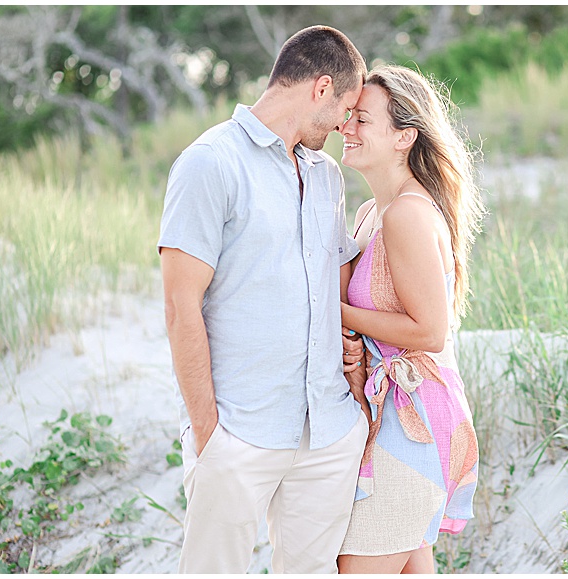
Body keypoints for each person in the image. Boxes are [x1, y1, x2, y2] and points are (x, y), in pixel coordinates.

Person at [157, 26, 370, 574]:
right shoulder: (209, 163)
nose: (347, 125)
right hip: (238, 432)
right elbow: (181, 308)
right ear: (321, 89)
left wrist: (349, 391)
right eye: (347, 108)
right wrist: (211, 437)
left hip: (325, 433)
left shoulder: (328, 178)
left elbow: (333, 290)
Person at [335, 64, 485, 574]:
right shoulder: (371, 213)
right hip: (389, 417)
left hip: (413, 422)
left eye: (361, 119)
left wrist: (334, 312)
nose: (345, 128)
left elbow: (429, 331)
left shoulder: (408, 215)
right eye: (347, 116)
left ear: (404, 136)